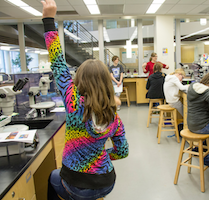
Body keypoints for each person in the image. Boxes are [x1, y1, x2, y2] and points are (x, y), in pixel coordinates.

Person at [41, 1, 129, 200]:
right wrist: (102, 156)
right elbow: (122, 151)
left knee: (53, 177)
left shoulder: (74, 103)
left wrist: (49, 20)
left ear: (79, 80)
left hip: (76, 183)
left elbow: (58, 63)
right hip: (107, 182)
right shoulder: (114, 117)